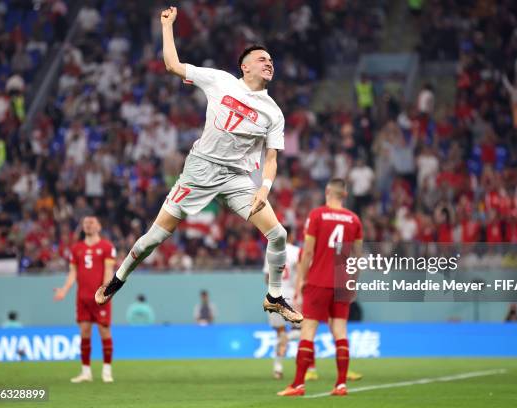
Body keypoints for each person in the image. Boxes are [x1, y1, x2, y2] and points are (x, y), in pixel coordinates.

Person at [95, 6, 301, 324]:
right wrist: (167, 26)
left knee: (278, 234)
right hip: (200, 170)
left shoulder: (274, 112)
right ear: (245, 67)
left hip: (237, 178)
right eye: (262, 59)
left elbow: (271, 158)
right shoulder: (219, 81)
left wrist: (265, 187)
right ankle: (119, 277)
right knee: (154, 238)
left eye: (271, 60)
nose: (269, 63)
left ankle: (274, 297)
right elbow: (172, 65)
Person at [278, 178, 363, 397]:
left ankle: (298, 384)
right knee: (340, 332)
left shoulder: (317, 215)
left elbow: (307, 252)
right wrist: (352, 283)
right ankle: (341, 384)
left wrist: (300, 283)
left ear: (327, 191)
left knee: (308, 331)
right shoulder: (354, 220)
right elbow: (357, 257)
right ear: (344, 195)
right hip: (342, 283)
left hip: (318, 281)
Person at [54, 216, 116, 383]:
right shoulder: (76, 249)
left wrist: (105, 291)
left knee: (104, 331)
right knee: (84, 333)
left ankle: (107, 371)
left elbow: (108, 270)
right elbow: (73, 273)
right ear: (82, 227)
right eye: (85, 223)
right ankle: (86, 372)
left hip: (99, 298)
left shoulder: (107, 247)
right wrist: (64, 290)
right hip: (82, 298)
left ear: (99, 226)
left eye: (92, 222)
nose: (88, 225)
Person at [262, 226, 300, 379]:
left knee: (280, 332)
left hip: (274, 296)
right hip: (292, 295)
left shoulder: (271, 251)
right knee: (302, 330)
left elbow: (267, 278)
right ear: (290, 236)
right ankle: (307, 367)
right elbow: (301, 273)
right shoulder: (296, 252)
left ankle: (278, 368)